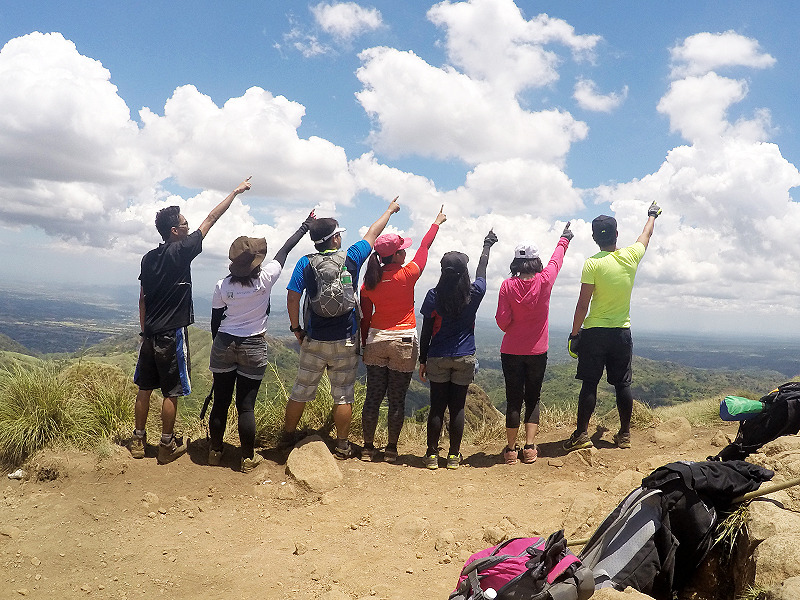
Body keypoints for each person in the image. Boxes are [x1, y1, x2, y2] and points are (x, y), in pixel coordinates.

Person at [130, 177, 252, 464]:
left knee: (144, 388)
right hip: (171, 333)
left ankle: (137, 440)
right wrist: (235, 191)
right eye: (185, 224)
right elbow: (211, 218)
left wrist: (145, 330)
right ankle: (166, 445)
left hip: (149, 334)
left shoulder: (148, 258)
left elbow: (142, 299)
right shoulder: (182, 250)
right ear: (175, 231)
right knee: (171, 391)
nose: (189, 227)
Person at [282, 198, 401, 459]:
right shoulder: (352, 257)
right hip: (346, 338)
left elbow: (292, 297)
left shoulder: (305, 263)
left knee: (300, 391)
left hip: (314, 338)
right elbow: (373, 233)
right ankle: (343, 445)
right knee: (343, 395)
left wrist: (296, 329)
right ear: (334, 238)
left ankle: (287, 438)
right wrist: (389, 211)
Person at [207, 212, 314, 473]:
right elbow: (284, 251)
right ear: (256, 263)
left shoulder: (222, 286)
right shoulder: (266, 279)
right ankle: (247, 458)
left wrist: (219, 347)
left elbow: (215, 321)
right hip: (253, 346)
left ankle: (215, 452)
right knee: (246, 406)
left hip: (224, 343)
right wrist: (305, 226)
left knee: (220, 401)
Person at [564, 202, 661, 452]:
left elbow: (582, 304)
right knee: (622, 385)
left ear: (594, 238)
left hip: (594, 333)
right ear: (617, 234)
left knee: (589, 384)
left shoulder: (592, 264)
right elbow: (646, 234)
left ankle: (581, 434)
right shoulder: (631, 256)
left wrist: (574, 335)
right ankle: (625, 434)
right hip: (621, 332)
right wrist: (652, 215)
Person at [359, 206, 447, 463]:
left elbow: (365, 319)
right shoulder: (408, 274)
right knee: (397, 399)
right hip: (404, 342)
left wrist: (365, 344)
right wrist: (436, 223)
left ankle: (367, 448)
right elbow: (425, 247)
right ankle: (391, 450)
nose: (406, 252)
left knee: (373, 397)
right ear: (396, 255)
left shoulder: (368, 284)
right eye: (402, 250)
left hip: (376, 340)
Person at [419, 230, 498, 470]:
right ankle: (454, 456)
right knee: (458, 408)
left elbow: (426, 330)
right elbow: (482, 271)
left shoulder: (433, 296)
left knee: (437, 406)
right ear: (464, 273)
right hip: (464, 356)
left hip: (438, 356)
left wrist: (422, 359)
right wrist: (487, 246)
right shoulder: (474, 294)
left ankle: (432, 454)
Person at [495, 223, 573, 465]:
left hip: (511, 351)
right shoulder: (545, 280)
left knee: (513, 399)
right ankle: (529, 448)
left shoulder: (507, 286)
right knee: (533, 398)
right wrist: (564, 239)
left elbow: (502, 322)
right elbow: (556, 261)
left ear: (516, 263)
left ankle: (510, 451)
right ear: (536, 262)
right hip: (538, 351)